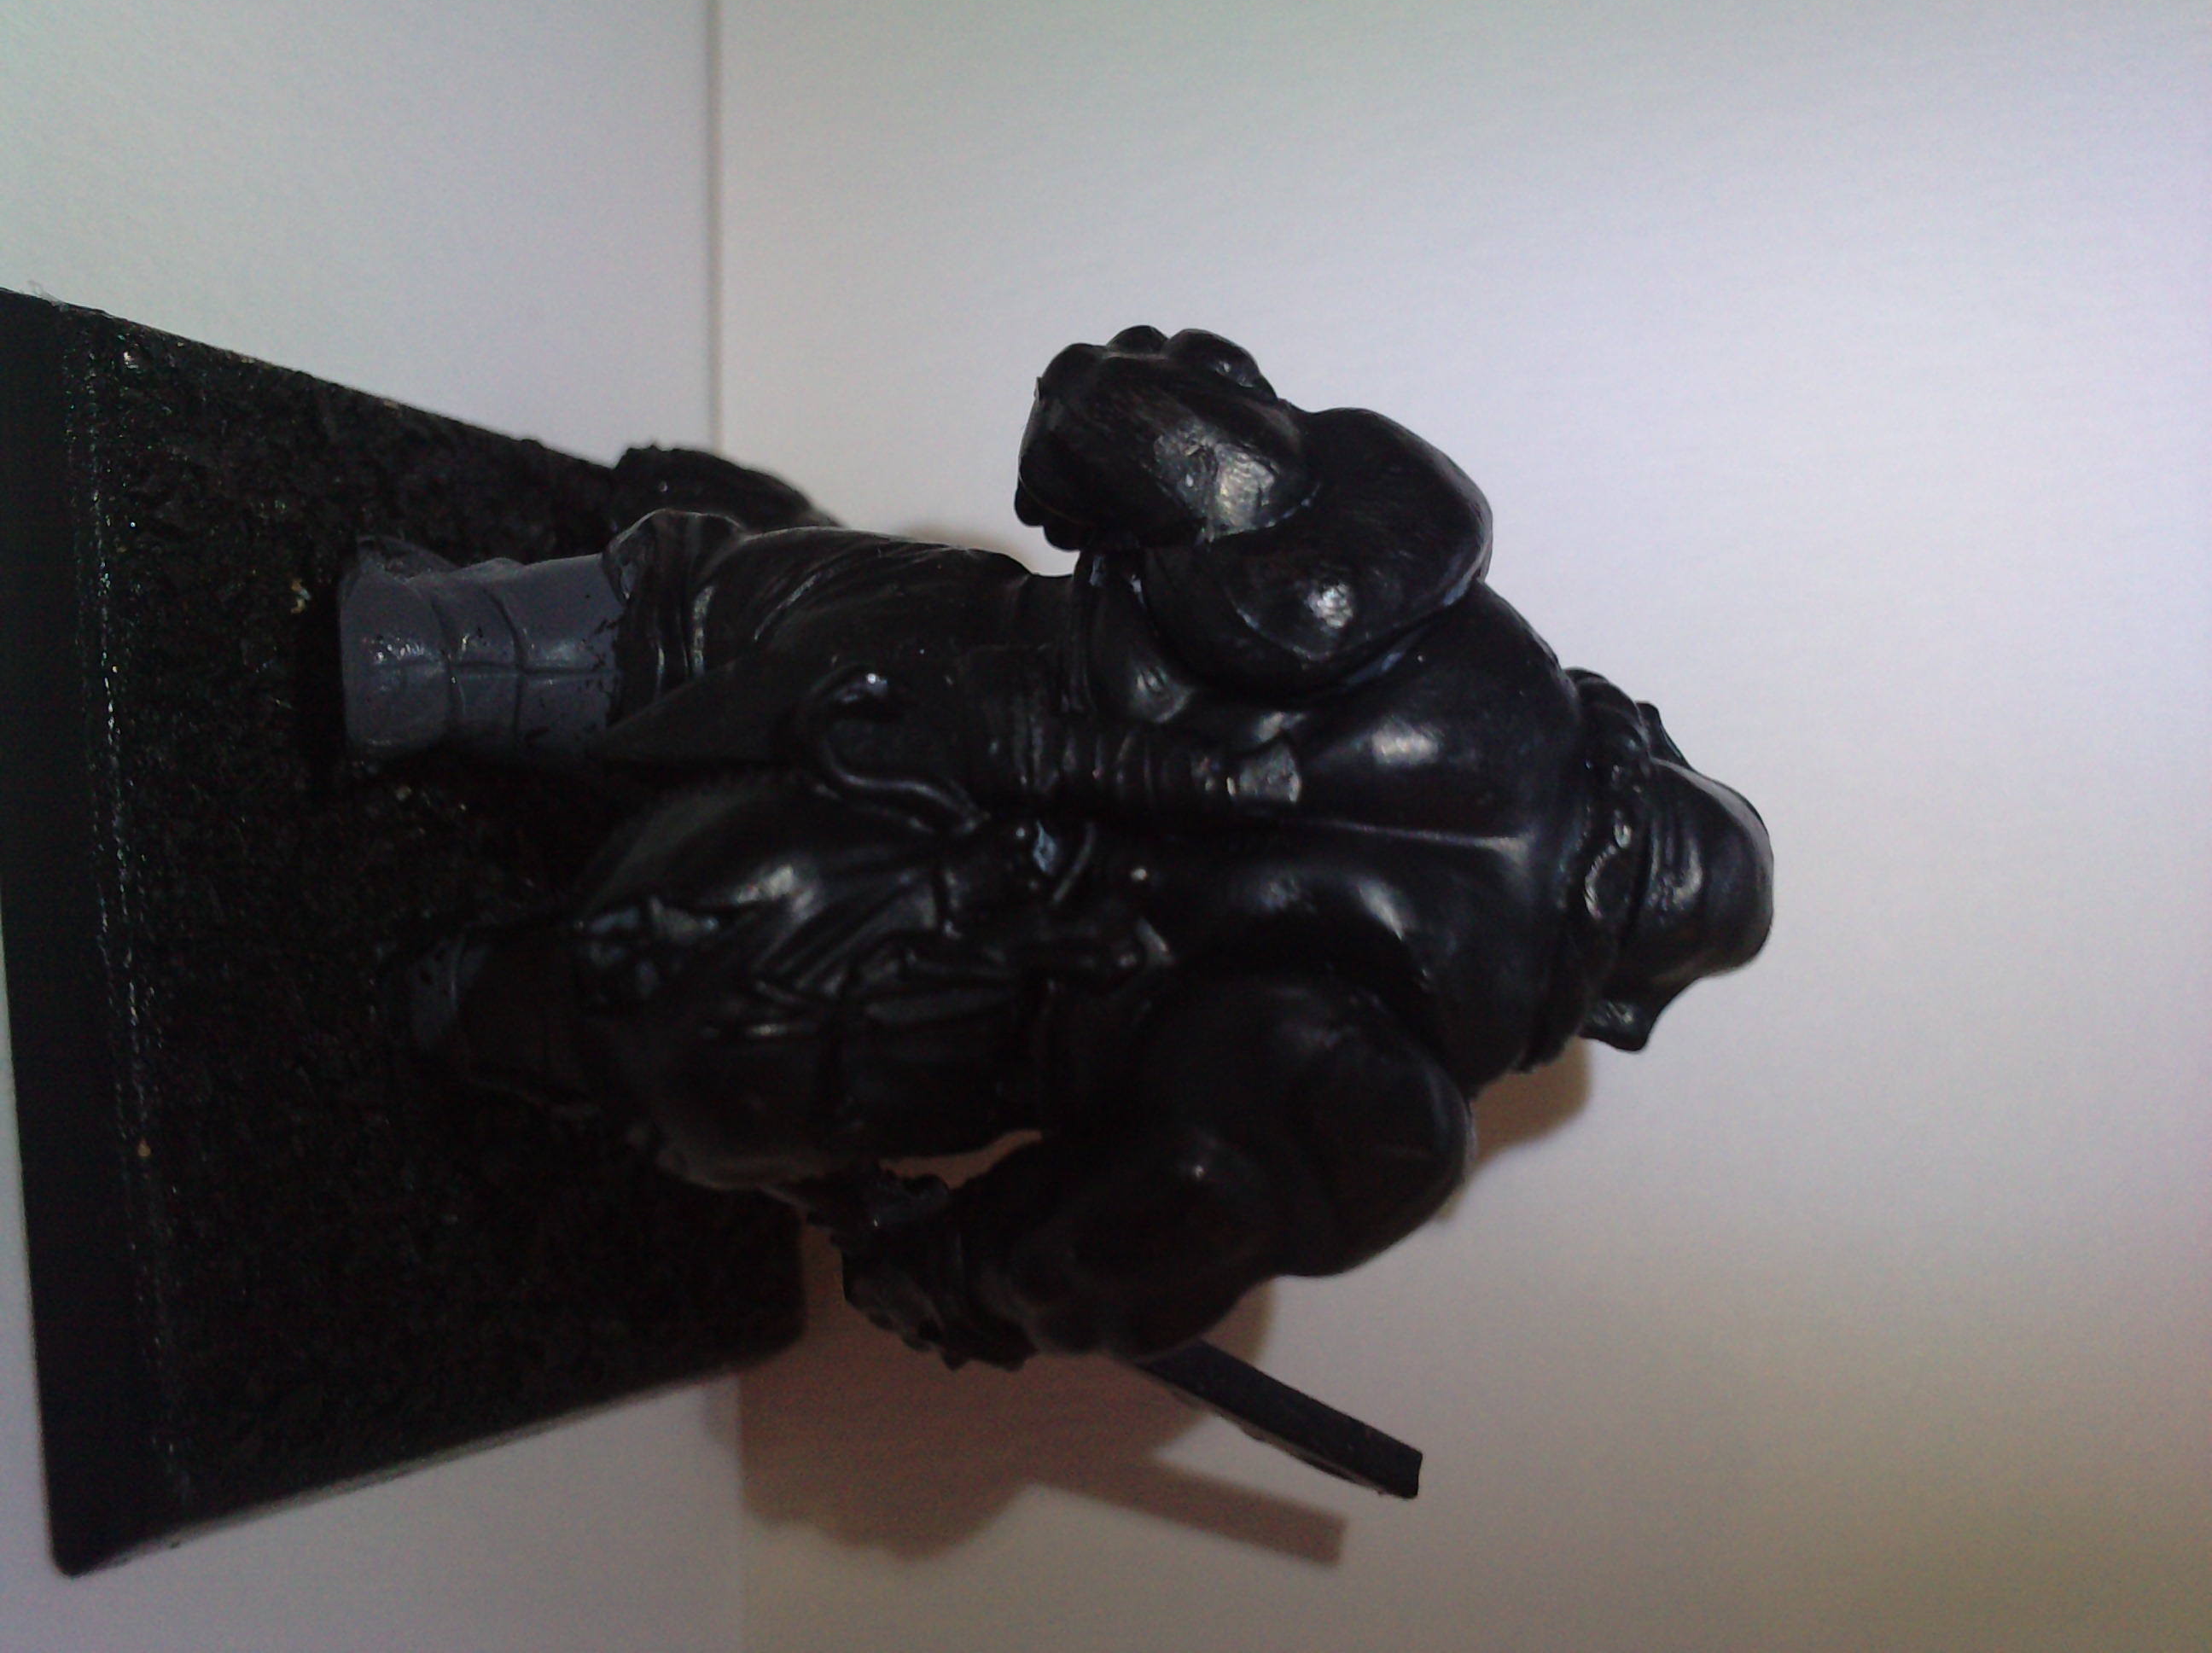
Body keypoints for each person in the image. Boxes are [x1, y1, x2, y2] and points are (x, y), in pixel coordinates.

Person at [340, 327, 1773, 1369]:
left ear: (1640, 738)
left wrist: (1177, 408)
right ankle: (447, 999)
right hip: (926, 989)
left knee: (685, 624)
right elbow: (1105, 1248)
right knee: (612, 1027)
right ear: (1615, 1004)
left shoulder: (1419, 551)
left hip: (922, 681)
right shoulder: (1389, 1127)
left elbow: (1100, 417)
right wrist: (952, 1282)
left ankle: (433, 657)